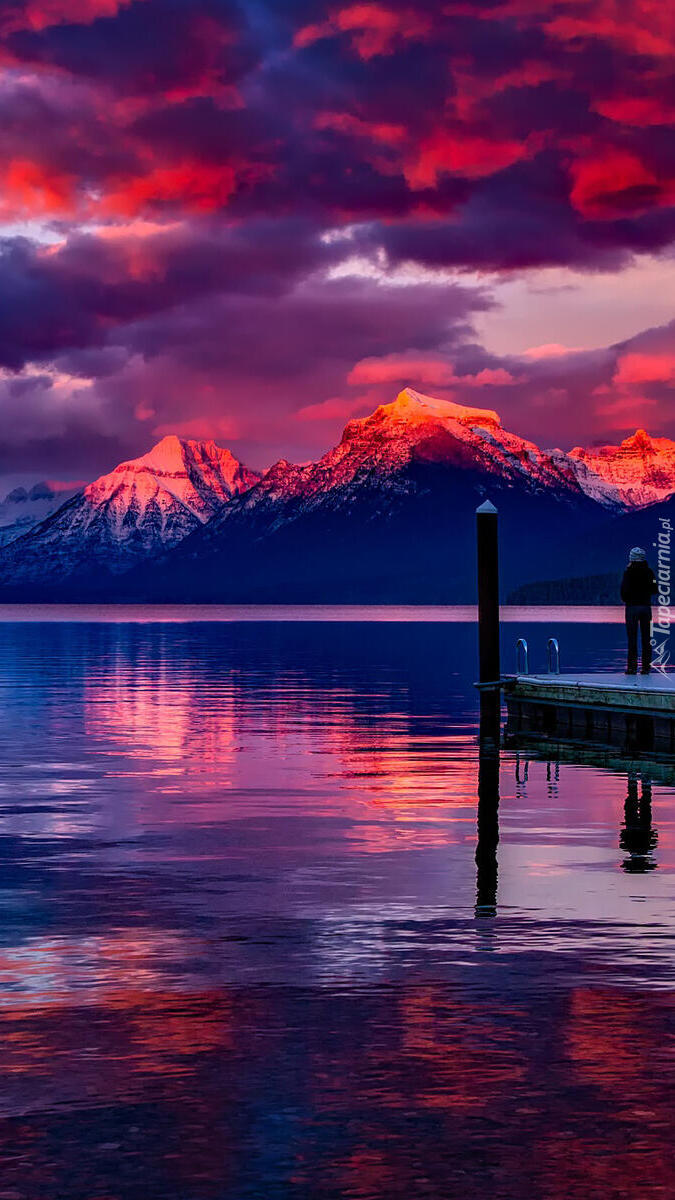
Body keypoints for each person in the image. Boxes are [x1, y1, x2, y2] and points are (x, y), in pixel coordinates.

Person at [620, 547, 657, 675]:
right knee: (647, 638)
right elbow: (654, 589)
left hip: (632, 608)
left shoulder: (628, 572)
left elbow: (623, 591)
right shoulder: (649, 572)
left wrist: (627, 599)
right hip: (646, 607)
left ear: (631, 558)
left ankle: (632, 668)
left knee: (632, 638)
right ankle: (646, 667)